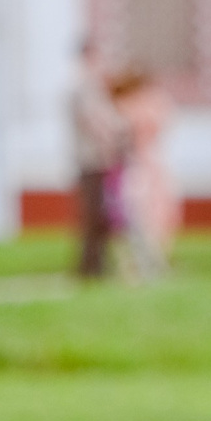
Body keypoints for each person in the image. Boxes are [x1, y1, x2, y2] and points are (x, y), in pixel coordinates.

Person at [109, 70, 179, 282]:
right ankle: (149, 259)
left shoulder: (129, 107)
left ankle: (147, 260)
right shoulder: (148, 105)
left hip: (142, 165)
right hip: (145, 165)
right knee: (145, 214)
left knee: (146, 214)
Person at [69, 41, 125, 280]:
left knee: (103, 214)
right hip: (91, 160)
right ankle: (90, 265)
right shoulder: (81, 88)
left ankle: (99, 262)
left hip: (101, 160)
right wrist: (109, 143)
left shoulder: (97, 87)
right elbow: (92, 122)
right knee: (93, 214)